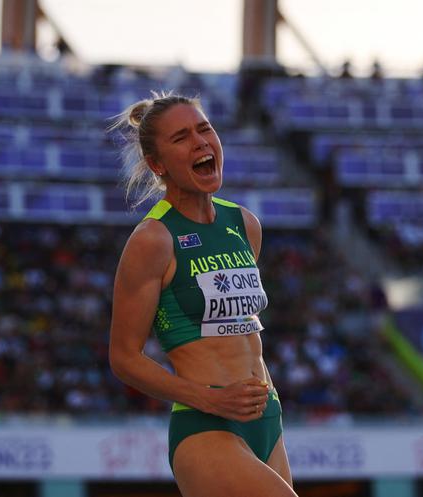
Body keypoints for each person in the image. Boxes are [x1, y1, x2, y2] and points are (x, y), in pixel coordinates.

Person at [109, 92, 297, 497]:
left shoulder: (244, 224)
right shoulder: (153, 240)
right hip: (207, 426)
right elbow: (123, 358)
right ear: (157, 165)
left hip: (267, 418)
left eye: (204, 129)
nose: (200, 142)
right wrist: (209, 400)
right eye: (181, 138)